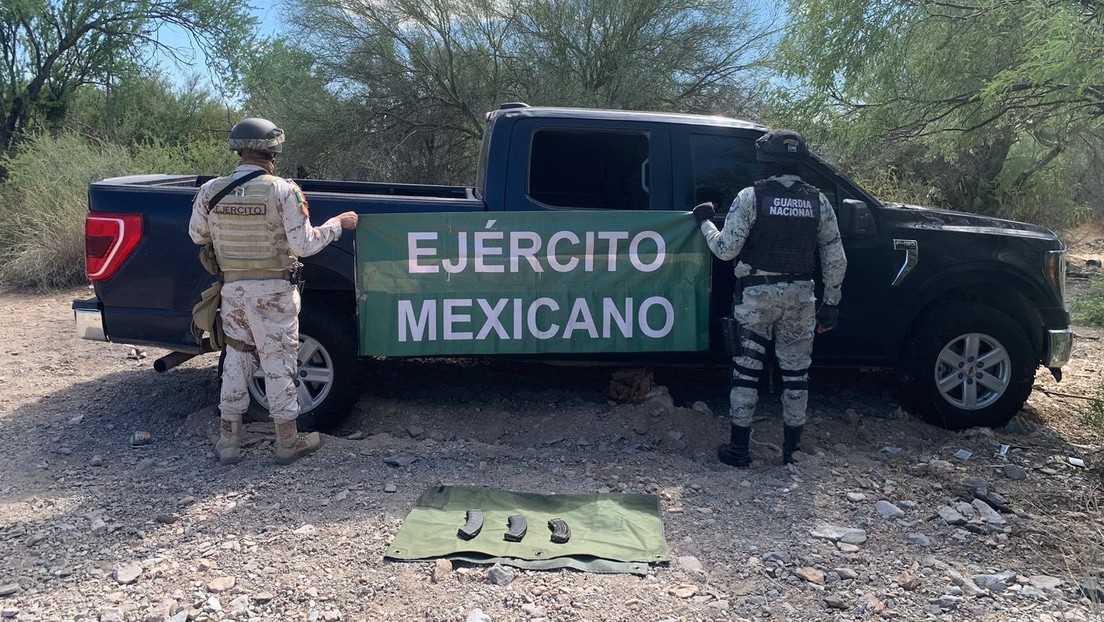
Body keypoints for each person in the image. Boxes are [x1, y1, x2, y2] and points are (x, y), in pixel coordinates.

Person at [189, 118, 359, 465]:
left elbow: (197, 235)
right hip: (274, 293)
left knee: (237, 358)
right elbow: (304, 244)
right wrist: (337, 225)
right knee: (278, 363)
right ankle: (288, 442)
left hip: (234, 291)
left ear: (238, 150)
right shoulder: (284, 190)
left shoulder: (210, 191)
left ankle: (229, 441)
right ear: (273, 151)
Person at [693, 129, 847, 467]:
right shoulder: (818, 201)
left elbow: (725, 249)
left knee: (746, 373)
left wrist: (705, 221)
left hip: (756, 298)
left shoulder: (751, 197)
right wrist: (831, 304)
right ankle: (792, 451)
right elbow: (835, 257)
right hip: (801, 297)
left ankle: (739, 450)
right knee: (797, 375)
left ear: (766, 161)